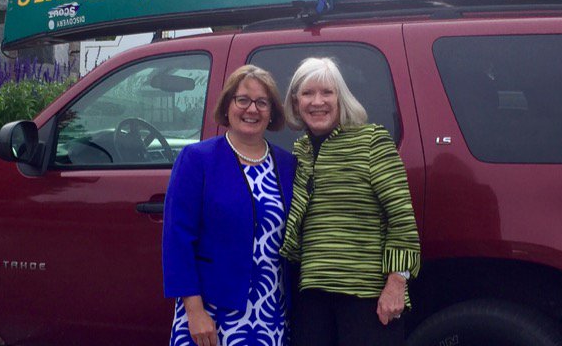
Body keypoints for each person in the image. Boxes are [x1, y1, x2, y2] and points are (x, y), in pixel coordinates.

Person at [280, 57, 420, 346]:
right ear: (295, 103)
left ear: (341, 98)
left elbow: (402, 219)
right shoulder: (301, 151)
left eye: (327, 93)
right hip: (312, 295)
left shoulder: (372, 142)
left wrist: (396, 283)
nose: (317, 101)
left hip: (366, 297)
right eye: (307, 94)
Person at [163, 65, 296, 346]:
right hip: (211, 311)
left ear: (272, 112)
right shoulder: (197, 159)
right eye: (243, 99)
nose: (252, 109)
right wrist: (194, 311)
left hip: (269, 310)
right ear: (227, 106)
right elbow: (178, 240)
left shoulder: (286, 164)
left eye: (262, 102)